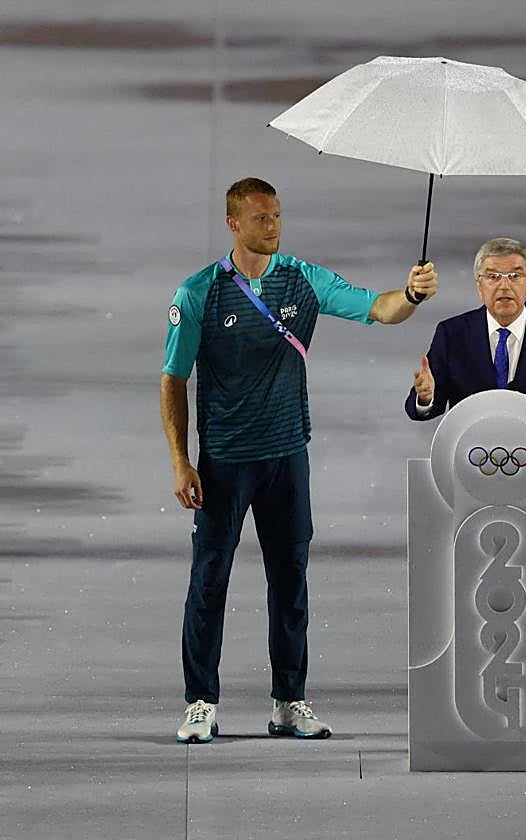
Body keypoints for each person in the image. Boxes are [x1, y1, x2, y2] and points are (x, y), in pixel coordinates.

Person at [161, 177, 439, 743]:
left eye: (278, 216)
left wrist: (411, 294)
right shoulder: (198, 294)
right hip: (224, 462)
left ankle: (289, 701)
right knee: (209, 581)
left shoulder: (304, 279)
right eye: (260, 218)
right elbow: (173, 379)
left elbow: (379, 309)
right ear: (233, 224)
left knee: (291, 582)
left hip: (287, 455)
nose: (273, 227)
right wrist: (180, 461)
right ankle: (200, 702)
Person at [405, 236, 526, 428]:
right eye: (493, 277)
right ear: (479, 286)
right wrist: (425, 398)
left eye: (515, 276)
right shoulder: (452, 334)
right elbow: (426, 406)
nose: (504, 286)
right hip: (472, 447)